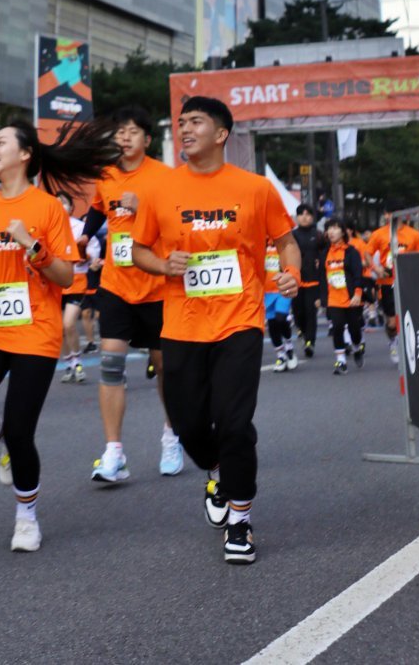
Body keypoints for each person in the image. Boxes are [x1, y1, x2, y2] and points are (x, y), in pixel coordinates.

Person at [131, 95, 300, 567]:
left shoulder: (254, 189)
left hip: (239, 322)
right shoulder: (162, 190)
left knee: (233, 424)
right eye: (181, 123)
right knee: (188, 427)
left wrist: (289, 272)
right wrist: (164, 263)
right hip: (182, 325)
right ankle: (219, 474)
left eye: (196, 122)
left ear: (221, 134)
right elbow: (136, 250)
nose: (184, 130)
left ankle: (241, 521)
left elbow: (285, 242)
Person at [0, 117, 121, 554]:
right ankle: (1, 438)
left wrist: (32, 245)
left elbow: (65, 275)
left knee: (23, 430)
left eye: (1, 142)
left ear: (25, 155)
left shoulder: (47, 208)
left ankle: (26, 515)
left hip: (36, 332)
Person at [82, 104, 180, 484]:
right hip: (116, 284)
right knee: (111, 365)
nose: (124, 138)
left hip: (156, 285)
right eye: (119, 132)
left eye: (132, 132)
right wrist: (87, 234)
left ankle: (171, 436)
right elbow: (97, 210)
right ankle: (114, 453)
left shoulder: (164, 177)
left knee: (166, 369)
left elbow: (175, 224)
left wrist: (144, 210)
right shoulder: (105, 176)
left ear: (147, 139)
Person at [367, 210, 419, 363]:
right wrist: (376, 268)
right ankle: (393, 341)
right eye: (385, 213)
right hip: (386, 282)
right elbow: (367, 254)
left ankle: (410, 345)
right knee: (391, 322)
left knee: (410, 315)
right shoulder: (378, 234)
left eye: (391, 213)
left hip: (407, 281)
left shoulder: (414, 235)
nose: (387, 216)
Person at [322, 220, 364, 372]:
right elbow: (322, 276)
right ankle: (341, 361)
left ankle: (357, 347)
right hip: (333, 298)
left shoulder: (351, 252)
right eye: (329, 229)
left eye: (335, 228)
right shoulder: (325, 253)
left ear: (343, 232)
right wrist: (321, 297)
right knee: (337, 327)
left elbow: (358, 274)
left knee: (354, 329)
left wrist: (358, 294)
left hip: (351, 297)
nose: (331, 232)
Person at [58, 192, 89, 384]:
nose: (60, 206)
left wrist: (85, 255)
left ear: (70, 206)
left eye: (63, 202)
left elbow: (91, 250)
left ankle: (77, 362)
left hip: (76, 280)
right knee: (59, 328)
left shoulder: (79, 227)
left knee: (69, 323)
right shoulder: (49, 227)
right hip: (55, 283)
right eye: (56, 203)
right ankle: (68, 363)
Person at [291, 204, 322, 358]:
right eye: (301, 214)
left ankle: (310, 342)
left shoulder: (318, 235)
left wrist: (319, 262)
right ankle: (302, 332)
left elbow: (326, 253)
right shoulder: (291, 235)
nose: (304, 217)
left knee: (311, 313)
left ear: (312, 217)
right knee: (298, 313)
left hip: (313, 281)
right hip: (296, 281)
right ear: (297, 217)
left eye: (308, 214)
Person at [264, 237, 296, 372]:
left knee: (281, 318)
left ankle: (288, 344)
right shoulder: (259, 242)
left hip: (283, 287)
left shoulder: (285, 241)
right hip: (266, 290)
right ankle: (280, 355)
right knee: (272, 324)